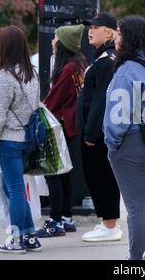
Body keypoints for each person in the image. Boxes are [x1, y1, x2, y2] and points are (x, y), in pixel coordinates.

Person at [103, 15, 145, 260]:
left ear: (128, 37)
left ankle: (134, 260)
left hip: (130, 145)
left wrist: (111, 144)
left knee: (135, 208)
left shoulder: (126, 71)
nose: (115, 37)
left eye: (119, 33)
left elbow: (116, 118)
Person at [0, 25, 42, 254]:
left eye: (0, 43)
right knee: (17, 189)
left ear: (6, 47)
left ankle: (17, 238)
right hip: (27, 140)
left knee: (15, 190)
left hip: (8, 140)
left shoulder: (5, 76)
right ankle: (30, 237)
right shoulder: (32, 73)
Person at [75, 12, 123, 242]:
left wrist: (92, 133)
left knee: (103, 177)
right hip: (94, 132)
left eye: (96, 27)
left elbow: (102, 100)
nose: (90, 31)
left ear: (110, 32)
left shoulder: (107, 60)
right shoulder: (101, 58)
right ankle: (106, 222)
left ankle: (110, 225)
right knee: (96, 177)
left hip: (98, 134)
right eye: (89, 27)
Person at [36, 24, 86, 237]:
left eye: (55, 38)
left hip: (61, 127)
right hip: (71, 127)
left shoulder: (67, 69)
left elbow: (52, 100)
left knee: (53, 173)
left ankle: (55, 221)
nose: (52, 41)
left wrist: (37, 113)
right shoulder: (78, 64)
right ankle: (66, 217)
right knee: (64, 173)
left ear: (63, 43)